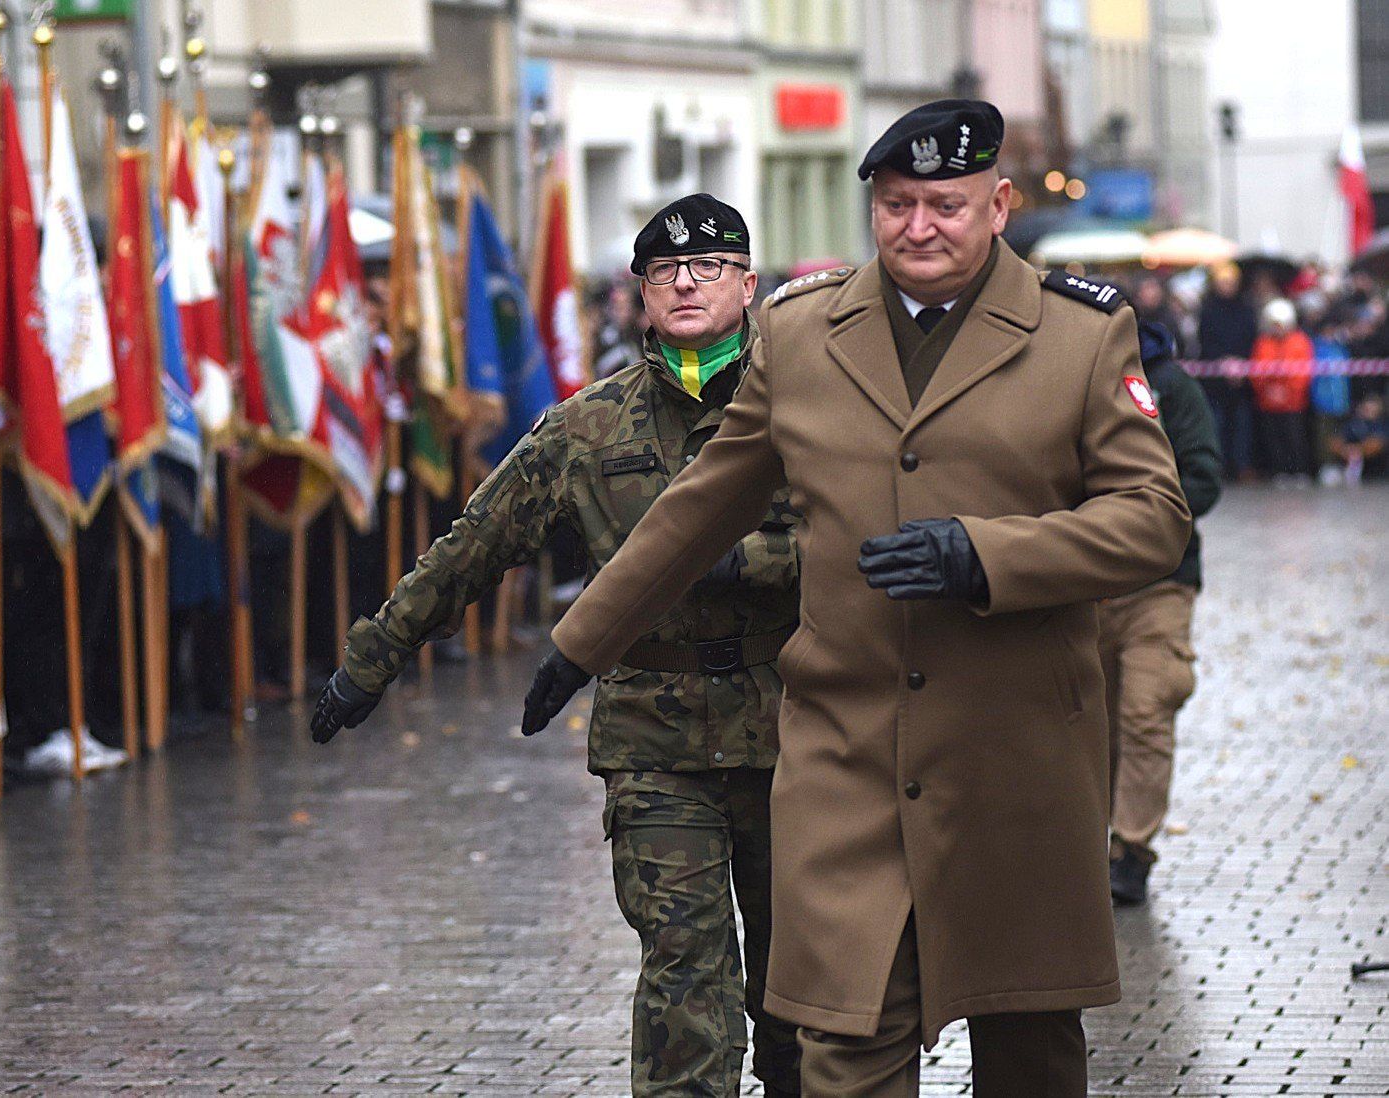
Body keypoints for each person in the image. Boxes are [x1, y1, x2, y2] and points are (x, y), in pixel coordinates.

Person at [519, 100, 1191, 1096]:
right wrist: (583, 642)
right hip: (848, 759)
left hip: (1018, 760)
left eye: (945, 205)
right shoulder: (800, 335)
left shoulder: (1080, 338)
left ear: (998, 205)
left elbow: (1154, 518)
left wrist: (989, 557)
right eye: (897, 203)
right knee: (844, 1045)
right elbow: (699, 507)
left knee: (1031, 1051)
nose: (918, 226)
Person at [312, 195, 803, 1097]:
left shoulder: (809, 407)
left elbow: (859, 537)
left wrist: (755, 559)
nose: (686, 283)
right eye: (664, 272)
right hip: (655, 743)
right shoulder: (590, 425)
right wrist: (370, 659)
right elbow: (473, 544)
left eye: (708, 267)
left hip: (796, 735)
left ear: (748, 284)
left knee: (799, 992)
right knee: (686, 978)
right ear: (640, 297)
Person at [1101, 320, 1222, 906]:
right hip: (1084, 584)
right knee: (1087, 722)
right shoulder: (1071, 380)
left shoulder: (1172, 388)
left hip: (1160, 584)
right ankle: (1085, 840)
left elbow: (1204, 477)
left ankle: (1132, 849)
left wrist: (1142, 512)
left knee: (1145, 710)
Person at [1196, 264, 1259, 480]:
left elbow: (1251, 339)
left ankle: (1241, 466)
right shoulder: (1208, 310)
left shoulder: (1245, 309)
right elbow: (1206, 341)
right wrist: (1222, 362)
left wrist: (1241, 364)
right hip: (1216, 379)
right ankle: (1219, 467)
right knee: (1217, 424)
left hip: (1241, 381)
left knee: (1242, 425)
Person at [1250, 298, 1313, 484]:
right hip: (1269, 401)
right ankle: (1280, 470)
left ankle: (1300, 470)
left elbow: (1303, 372)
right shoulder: (1263, 343)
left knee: (1295, 437)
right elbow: (1257, 369)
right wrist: (1268, 390)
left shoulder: (1300, 342)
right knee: (1274, 439)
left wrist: (1288, 391)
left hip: (1293, 402)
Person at [1332, 393, 1388, 484]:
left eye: (1373, 408)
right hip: (1352, 468)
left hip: (1377, 473)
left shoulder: (1382, 423)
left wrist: (1359, 450)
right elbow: (1336, 441)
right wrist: (1346, 450)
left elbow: (1378, 443)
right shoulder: (1354, 423)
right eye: (1367, 408)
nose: (1370, 410)